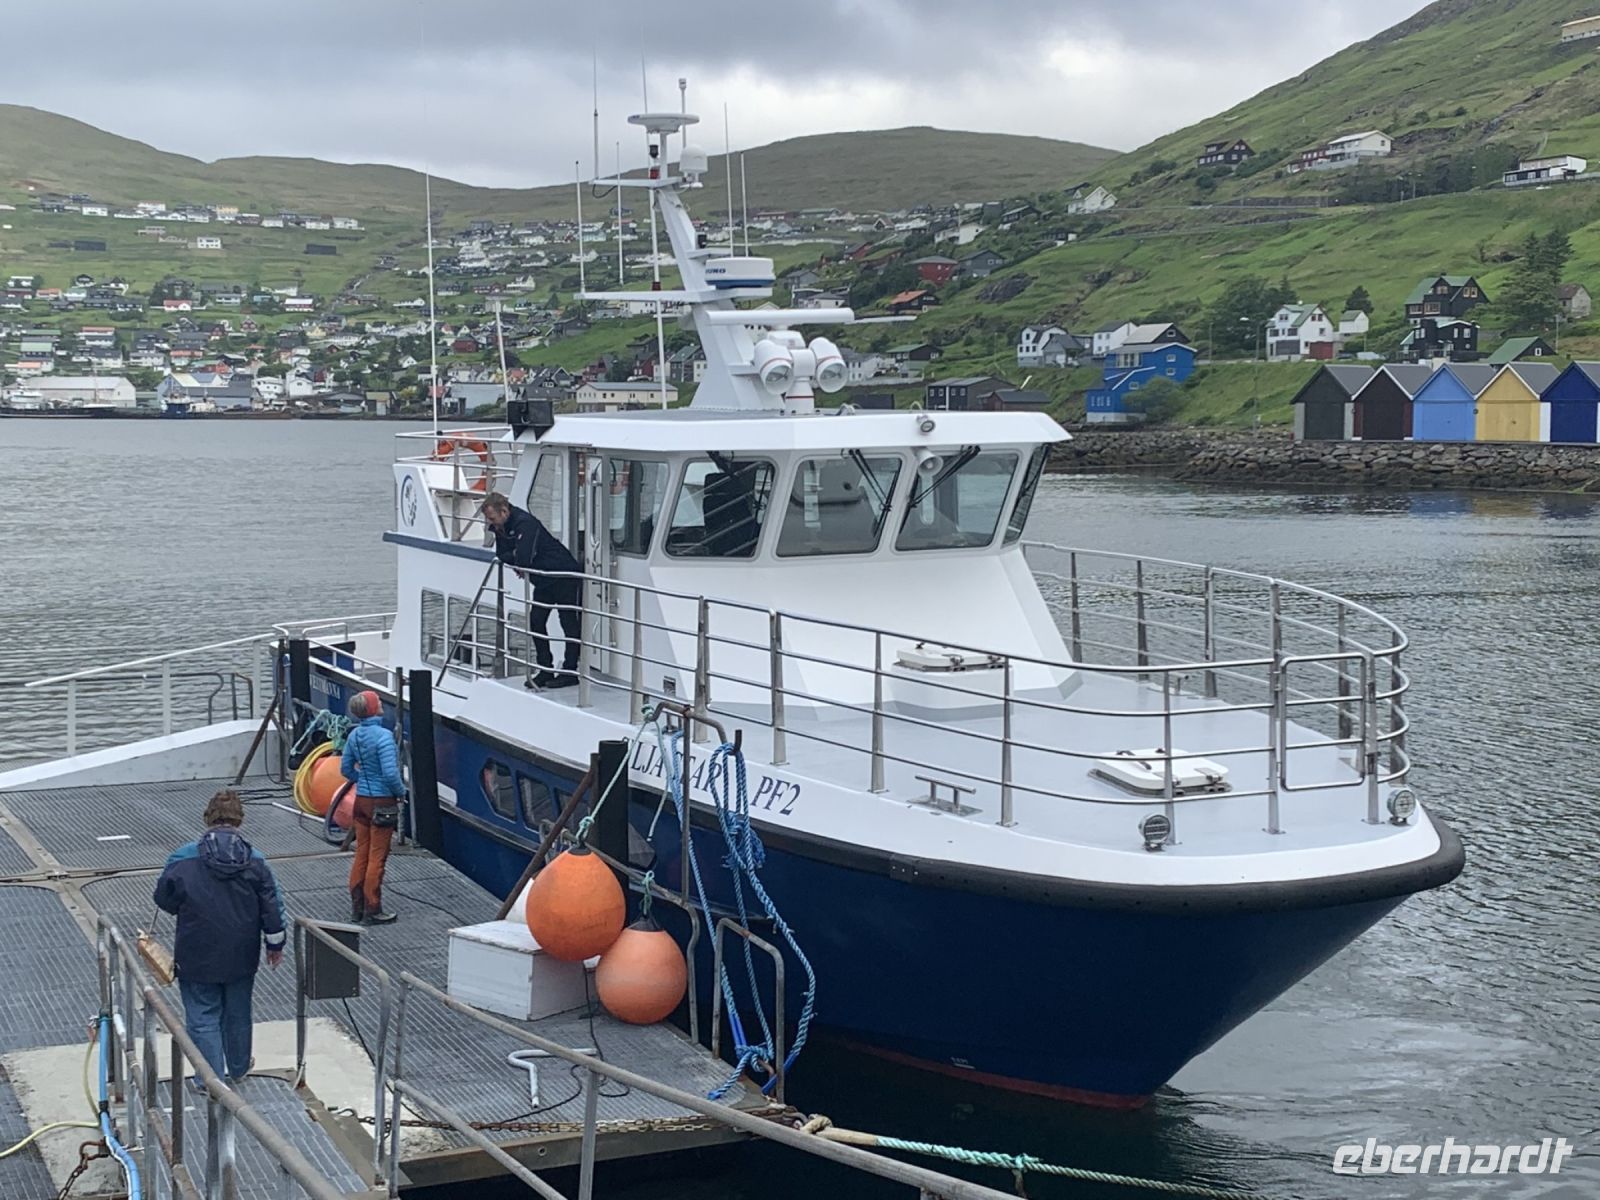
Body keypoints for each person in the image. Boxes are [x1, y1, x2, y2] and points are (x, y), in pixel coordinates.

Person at [153, 789, 285, 1090]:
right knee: (238, 1012)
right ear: (240, 819)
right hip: (241, 951)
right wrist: (275, 945)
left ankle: (210, 1080)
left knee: (202, 1016)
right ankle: (238, 1067)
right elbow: (272, 906)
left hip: (196, 950)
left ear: (207, 818)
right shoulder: (255, 859)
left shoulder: (182, 857)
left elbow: (163, 898)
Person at [480, 491, 583, 689]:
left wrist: (520, 558)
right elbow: (503, 555)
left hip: (563, 574)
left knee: (568, 622)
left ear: (504, 511)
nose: (491, 523)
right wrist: (518, 557)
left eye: (492, 518)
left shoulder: (525, 523)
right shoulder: (500, 528)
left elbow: (525, 558)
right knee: (536, 621)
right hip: (543, 578)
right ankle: (546, 669)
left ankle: (571, 671)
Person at [341, 690, 404, 925]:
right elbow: (390, 773)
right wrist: (400, 792)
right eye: (377, 701)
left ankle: (356, 907)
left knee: (362, 854)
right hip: (382, 802)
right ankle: (373, 908)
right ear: (372, 709)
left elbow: (346, 769)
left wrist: (363, 779)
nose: (380, 703)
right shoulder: (384, 737)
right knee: (378, 857)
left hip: (361, 801)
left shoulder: (354, 736)